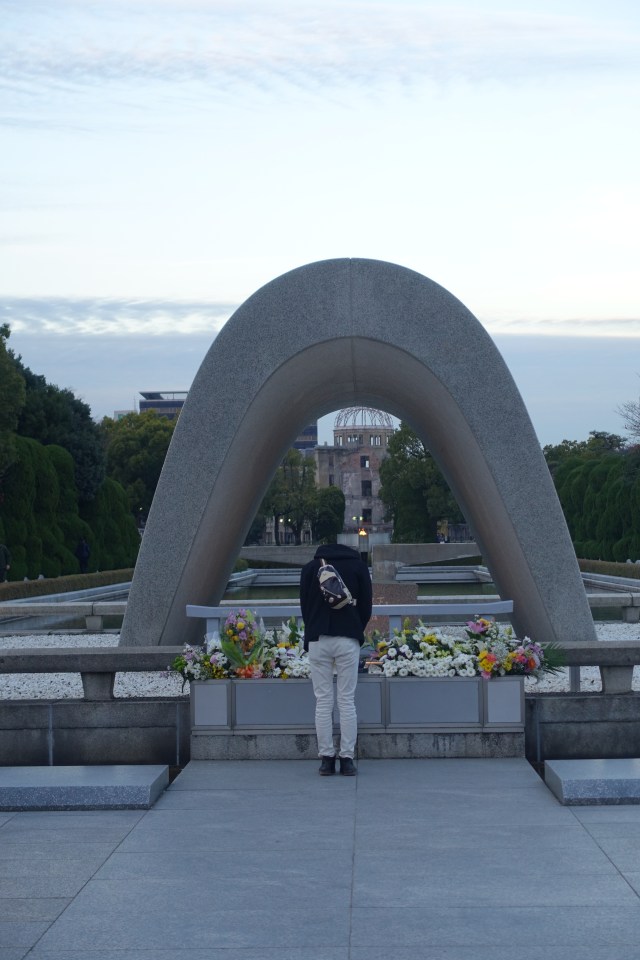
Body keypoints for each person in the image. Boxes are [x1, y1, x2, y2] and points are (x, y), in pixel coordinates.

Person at [299, 543, 372, 776]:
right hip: (347, 639)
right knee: (346, 701)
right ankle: (347, 759)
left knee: (323, 702)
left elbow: (304, 607)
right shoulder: (358, 567)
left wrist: (313, 628)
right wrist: (354, 627)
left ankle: (326, 760)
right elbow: (367, 607)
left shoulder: (310, 568)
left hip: (318, 639)